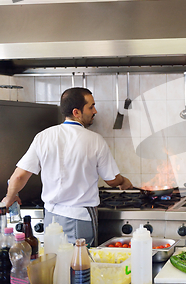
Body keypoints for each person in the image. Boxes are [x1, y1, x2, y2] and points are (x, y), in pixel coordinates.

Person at [1, 87, 133, 246]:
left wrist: (10, 197)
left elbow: (19, 175)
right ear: (76, 112)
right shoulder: (95, 140)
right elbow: (111, 180)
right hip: (80, 219)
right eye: (91, 107)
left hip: (51, 218)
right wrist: (123, 181)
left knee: (55, 266)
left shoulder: (43, 137)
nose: (95, 111)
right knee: (80, 266)